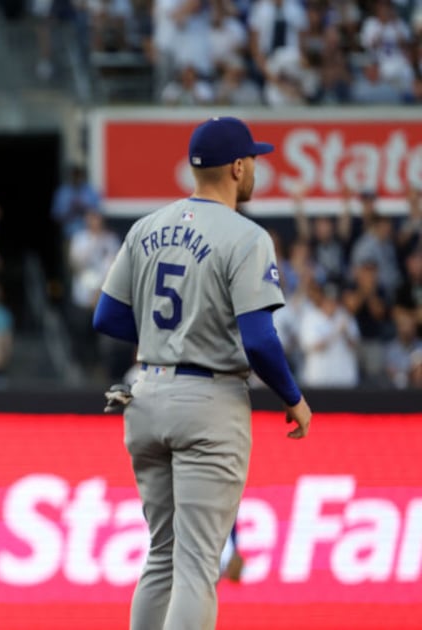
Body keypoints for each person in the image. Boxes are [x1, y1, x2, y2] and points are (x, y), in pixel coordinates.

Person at [93, 117, 312, 630]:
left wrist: (164, 337)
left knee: (162, 557)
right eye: (252, 160)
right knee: (195, 567)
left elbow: (107, 316)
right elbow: (260, 340)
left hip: (145, 393)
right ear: (236, 168)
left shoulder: (145, 227)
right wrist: (293, 397)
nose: (254, 168)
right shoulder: (247, 236)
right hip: (208, 401)